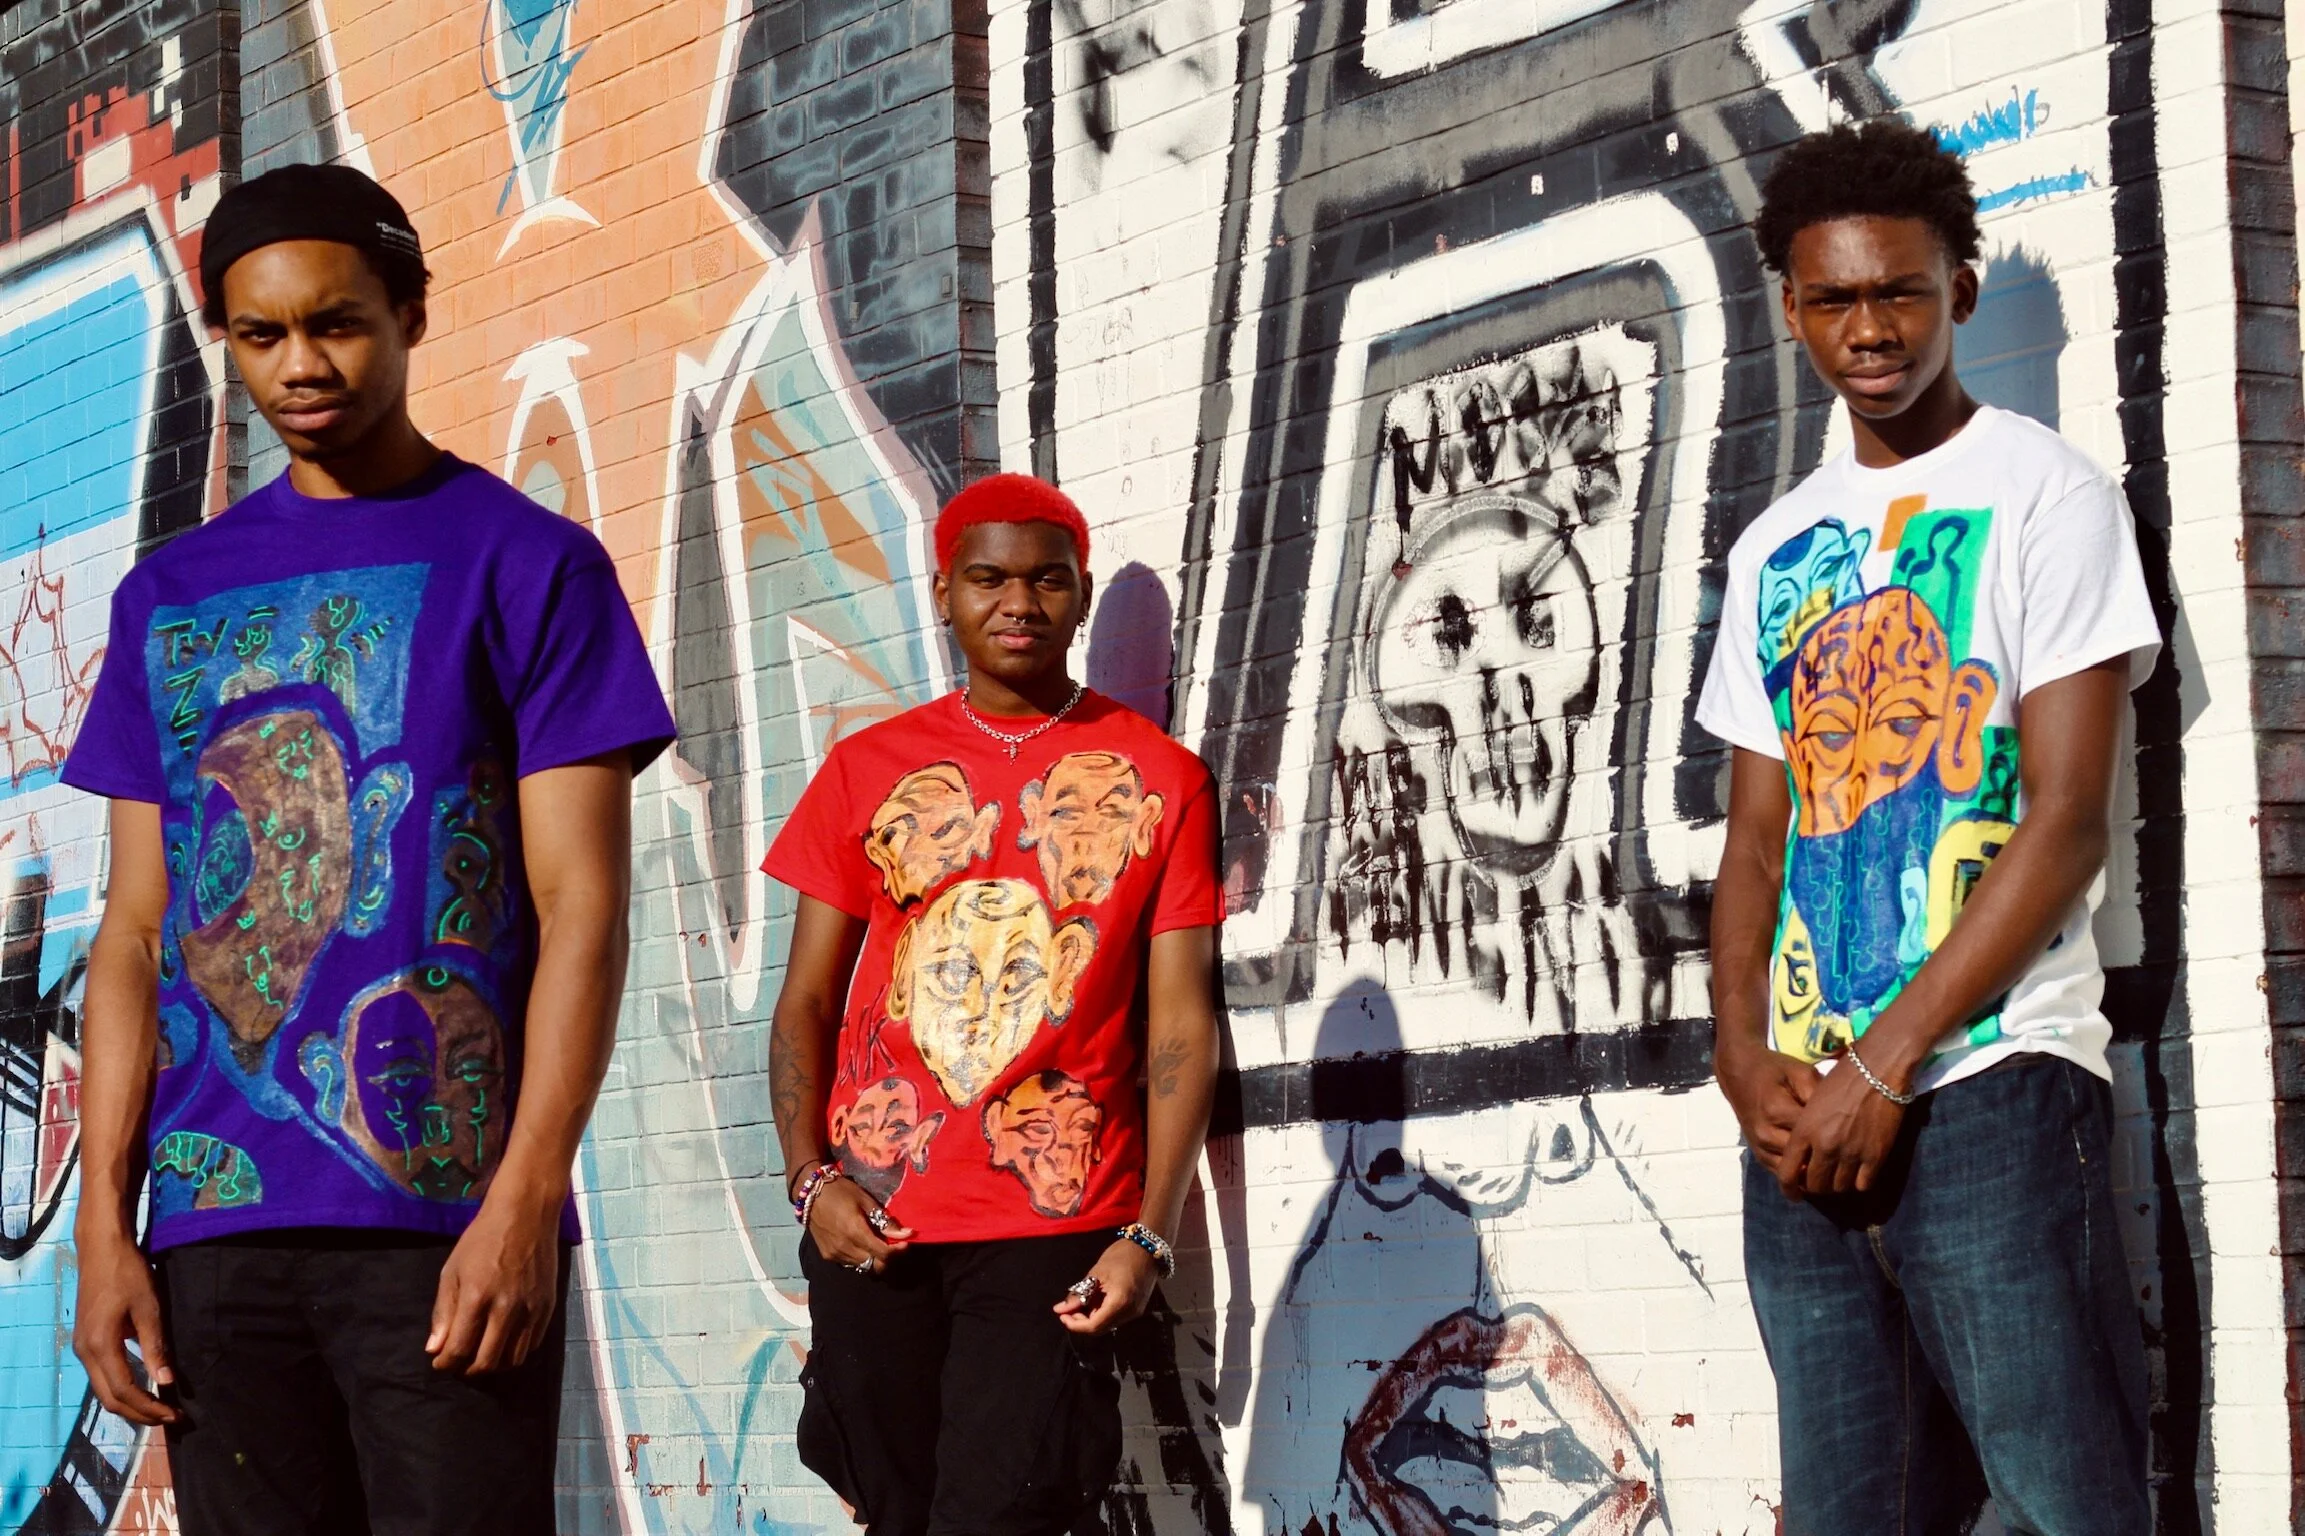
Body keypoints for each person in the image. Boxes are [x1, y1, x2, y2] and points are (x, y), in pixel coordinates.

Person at [64, 162, 675, 1536]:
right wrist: (107, 1225)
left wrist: (525, 1199)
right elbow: (137, 934)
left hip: (443, 1230)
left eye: (336, 322)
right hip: (217, 1236)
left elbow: (581, 907)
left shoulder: (530, 564)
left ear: (409, 311)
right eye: (262, 334)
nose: (302, 365)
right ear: (227, 336)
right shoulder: (168, 596)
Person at [1697, 119, 2161, 1534]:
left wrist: (1893, 1062)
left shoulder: (2047, 494)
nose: (1869, 328)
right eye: (1833, 299)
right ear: (1788, 307)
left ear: (1957, 289)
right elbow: (1758, 841)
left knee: (2061, 1505)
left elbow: (2066, 818)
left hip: (1991, 1085)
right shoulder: (1774, 548)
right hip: (1802, 1111)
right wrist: (1736, 1056)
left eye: (1898, 291)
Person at [765, 472, 1222, 1535]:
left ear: (1080, 593)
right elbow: (805, 1004)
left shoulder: (1163, 779)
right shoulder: (865, 770)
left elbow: (1182, 1026)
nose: (1018, 602)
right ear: (944, 593)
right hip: (874, 1215)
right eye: (988, 579)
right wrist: (808, 1183)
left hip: (1050, 1216)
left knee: (1006, 1509)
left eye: (1046, 580)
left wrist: (1148, 1236)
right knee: (893, 1507)